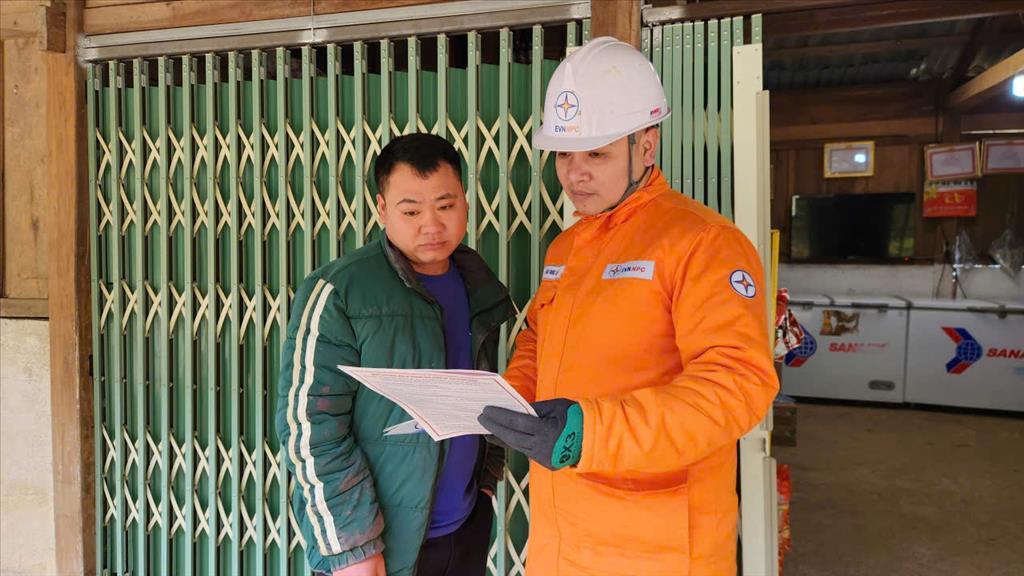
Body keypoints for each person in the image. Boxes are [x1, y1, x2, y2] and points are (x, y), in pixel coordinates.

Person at [478, 37, 779, 575]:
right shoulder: (567, 248)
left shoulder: (703, 242)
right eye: (564, 154)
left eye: (596, 153)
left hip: (656, 548)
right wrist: (508, 401)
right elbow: (540, 340)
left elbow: (736, 385)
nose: (574, 174)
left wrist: (589, 432)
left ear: (646, 146)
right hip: (562, 540)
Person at [277, 133, 515, 576]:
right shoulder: (339, 291)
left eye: (445, 206)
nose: (432, 225)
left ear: (465, 202)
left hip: (463, 533)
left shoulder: (480, 286)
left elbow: (485, 394)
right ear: (382, 209)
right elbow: (309, 427)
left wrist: (485, 484)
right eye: (411, 211)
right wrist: (353, 550)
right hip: (380, 550)